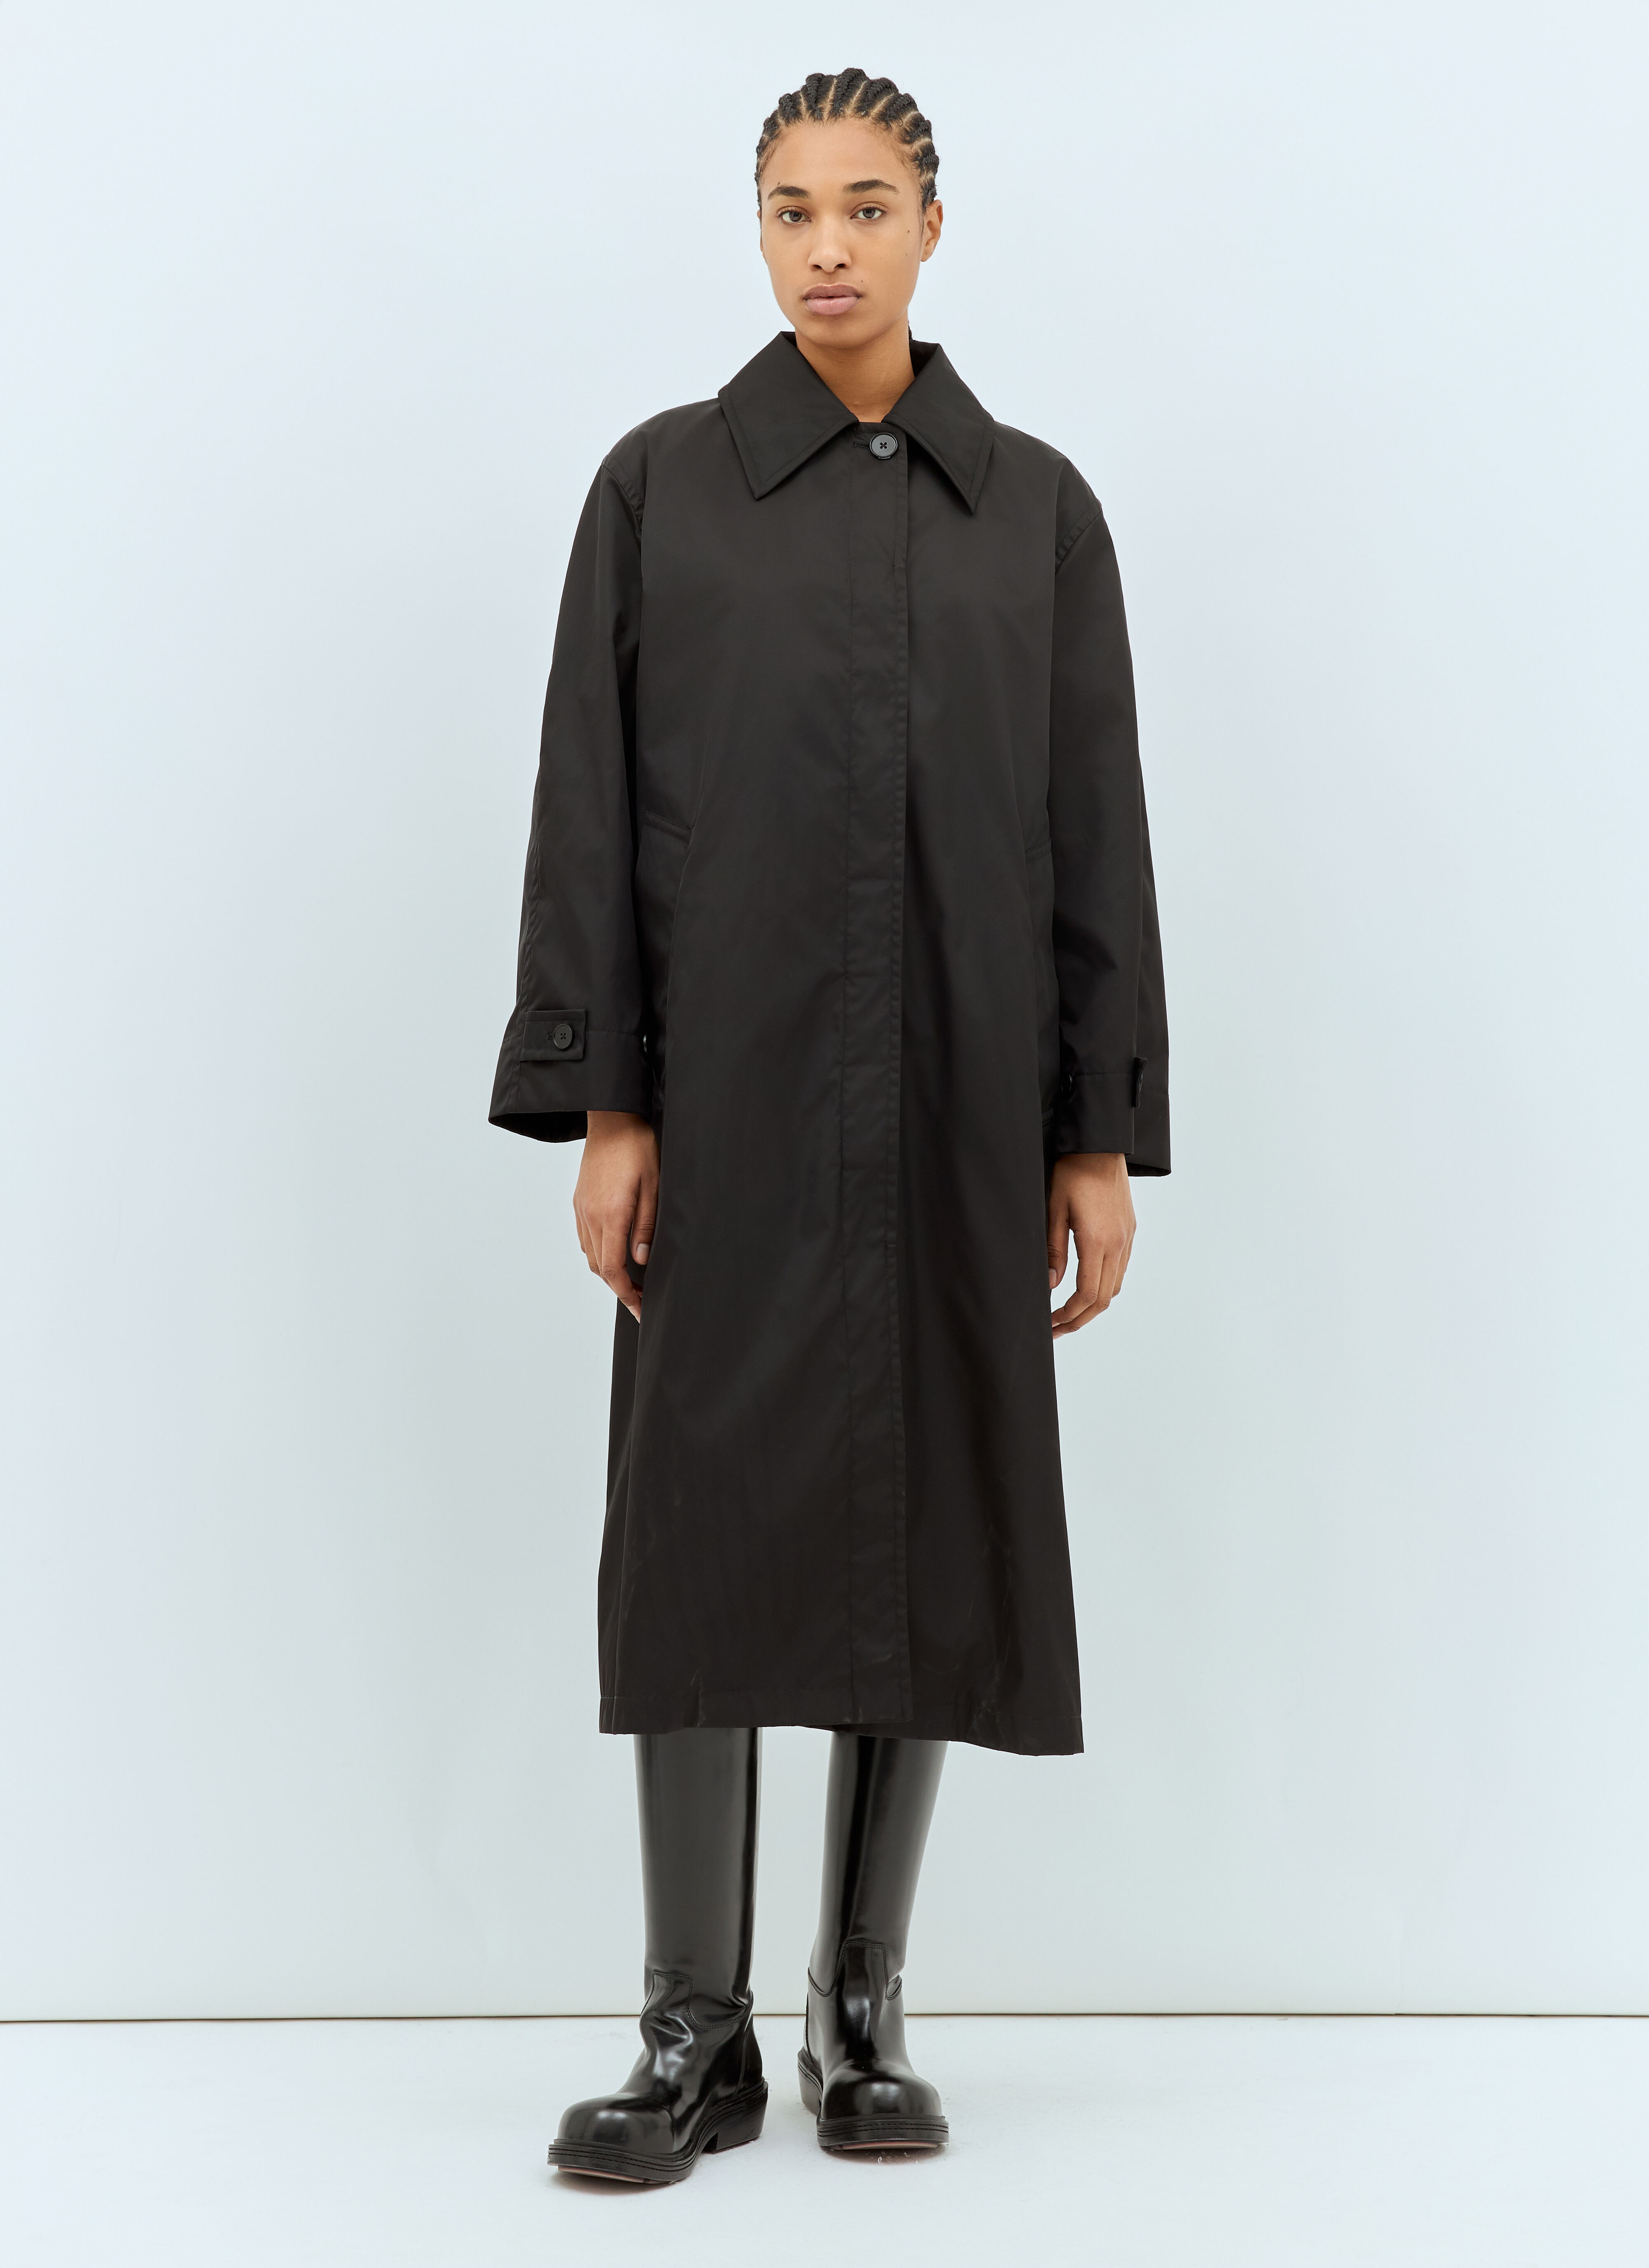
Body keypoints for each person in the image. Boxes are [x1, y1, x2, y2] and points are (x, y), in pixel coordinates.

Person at [489, 67, 1170, 2184]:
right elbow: (590, 804)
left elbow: (1089, 833)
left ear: (933, 228)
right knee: (697, 1525)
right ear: (759, 228)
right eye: (792, 208)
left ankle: (856, 2008)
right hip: (729, 1097)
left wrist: (1091, 1133)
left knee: (920, 1518)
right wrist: (608, 1102)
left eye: (867, 206)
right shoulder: (661, 489)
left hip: (959, 1099)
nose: (826, 247)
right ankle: (686, 2026)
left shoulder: (1033, 511)